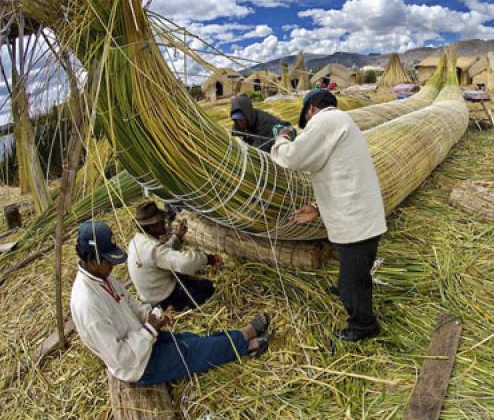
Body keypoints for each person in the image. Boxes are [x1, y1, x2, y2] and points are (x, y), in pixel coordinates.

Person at [70, 220, 272, 385]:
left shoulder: (102, 276)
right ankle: (247, 344)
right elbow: (122, 357)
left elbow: (129, 302)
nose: (113, 267)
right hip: (139, 365)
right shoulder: (88, 304)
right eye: (108, 260)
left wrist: (152, 316)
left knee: (190, 340)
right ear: (90, 258)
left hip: (143, 340)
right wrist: (149, 329)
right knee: (191, 353)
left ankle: (241, 336)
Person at [271, 89, 386, 341]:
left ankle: (363, 325)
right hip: (362, 214)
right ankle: (348, 291)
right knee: (355, 269)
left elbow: (294, 157)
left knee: (355, 279)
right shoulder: (343, 121)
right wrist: (316, 207)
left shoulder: (326, 120)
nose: (308, 125)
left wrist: (280, 140)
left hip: (355, 219)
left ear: (312, 108)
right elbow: (340, 173)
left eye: (307, 119)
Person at [128, 201, 222, 311]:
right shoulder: (152, 248)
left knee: (199, 283)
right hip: (163, 299)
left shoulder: (138, 241)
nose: (164, 223)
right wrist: (208, 259)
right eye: (160, 222)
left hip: (152, 294)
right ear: (151, 227)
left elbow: (162, 256)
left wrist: (177, 237)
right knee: (209, 289)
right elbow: (184, 263)